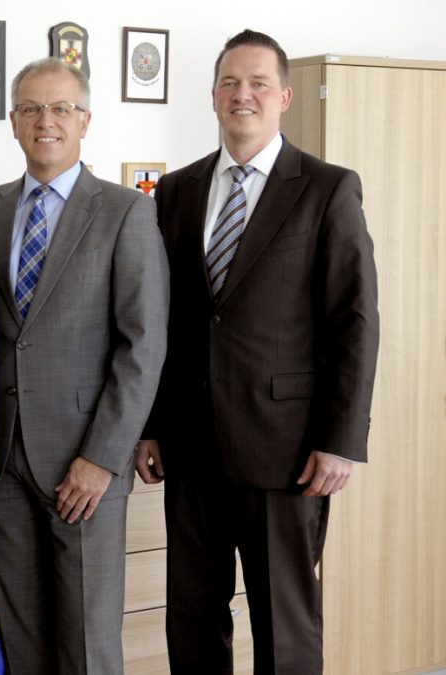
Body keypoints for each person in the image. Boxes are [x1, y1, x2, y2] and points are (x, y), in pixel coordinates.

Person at [136, 29, 379, 674]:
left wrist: (342, 438)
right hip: (190, 449)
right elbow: (165, 321)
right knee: (192, 619)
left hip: (288, 451)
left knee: (285, 627)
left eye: (258, 83)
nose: (242, 94)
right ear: (214, 96)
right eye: (230, 83)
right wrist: (153, 426)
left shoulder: (328, 189)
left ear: (284, 97)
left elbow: (354, 322)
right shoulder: (177, 192)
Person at [0, 57, 169, 674]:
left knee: (88, 644)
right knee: (23, 637)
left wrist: (102, 458)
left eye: (61, 108)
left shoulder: (124, 211)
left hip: (84, 463)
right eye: (32, 108)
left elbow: (142, 345)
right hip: (2, 463)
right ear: (13, 122)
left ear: (85, 120)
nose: (46, 121)